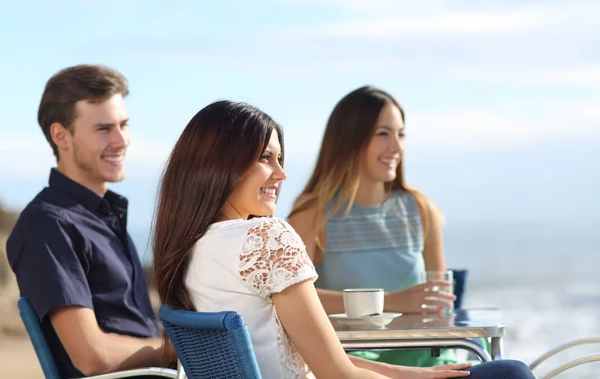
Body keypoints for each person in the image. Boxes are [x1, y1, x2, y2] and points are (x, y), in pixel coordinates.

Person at [152, 100, 535, 378]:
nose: (281, 175)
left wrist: (414, 376)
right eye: (265, 158)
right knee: (510, 374)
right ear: (220, 166)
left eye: (280, 159)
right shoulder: (267, 238)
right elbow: (337, 374)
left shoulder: (191, 246)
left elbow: (321, 356)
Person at [7, 65, 169, 378]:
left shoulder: (104, 217)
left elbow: (134, 325)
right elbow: (90, 355)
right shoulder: (48, 224)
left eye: (124, 125)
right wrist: (175, 348)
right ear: (60, 136)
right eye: (104, 129)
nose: (121, 141)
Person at [287, 85, 460, 367]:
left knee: (509, 371)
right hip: (355, 363)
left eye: (401, 134)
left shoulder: (420, 208)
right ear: (350, 139)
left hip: (425, 357)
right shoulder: (313, 213)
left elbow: (439, 302)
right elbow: (295, 301)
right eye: (383, 134)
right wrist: (390, 301)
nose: (396, 146)